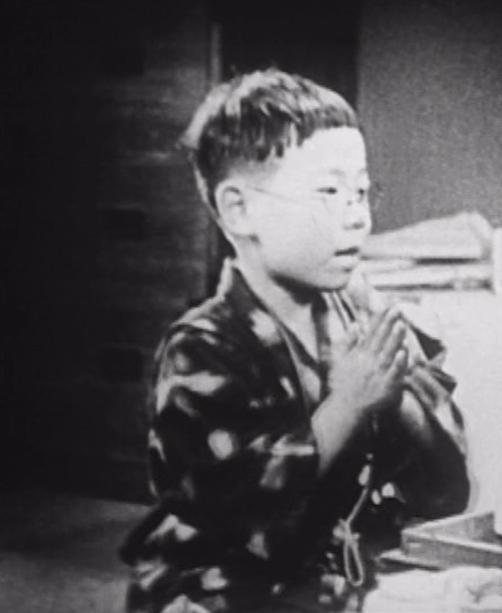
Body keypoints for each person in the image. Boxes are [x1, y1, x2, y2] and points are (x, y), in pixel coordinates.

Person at [120, 68, 470, 613]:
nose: (356, 215)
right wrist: (349, 403)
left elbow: (445, 489)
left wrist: (398, 392)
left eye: (361, 190)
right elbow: (238, 519)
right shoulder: (200, 348)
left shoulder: (355, 316)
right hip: (220, 595)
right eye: (328, 192)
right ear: (239, 209)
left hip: (339, 581)